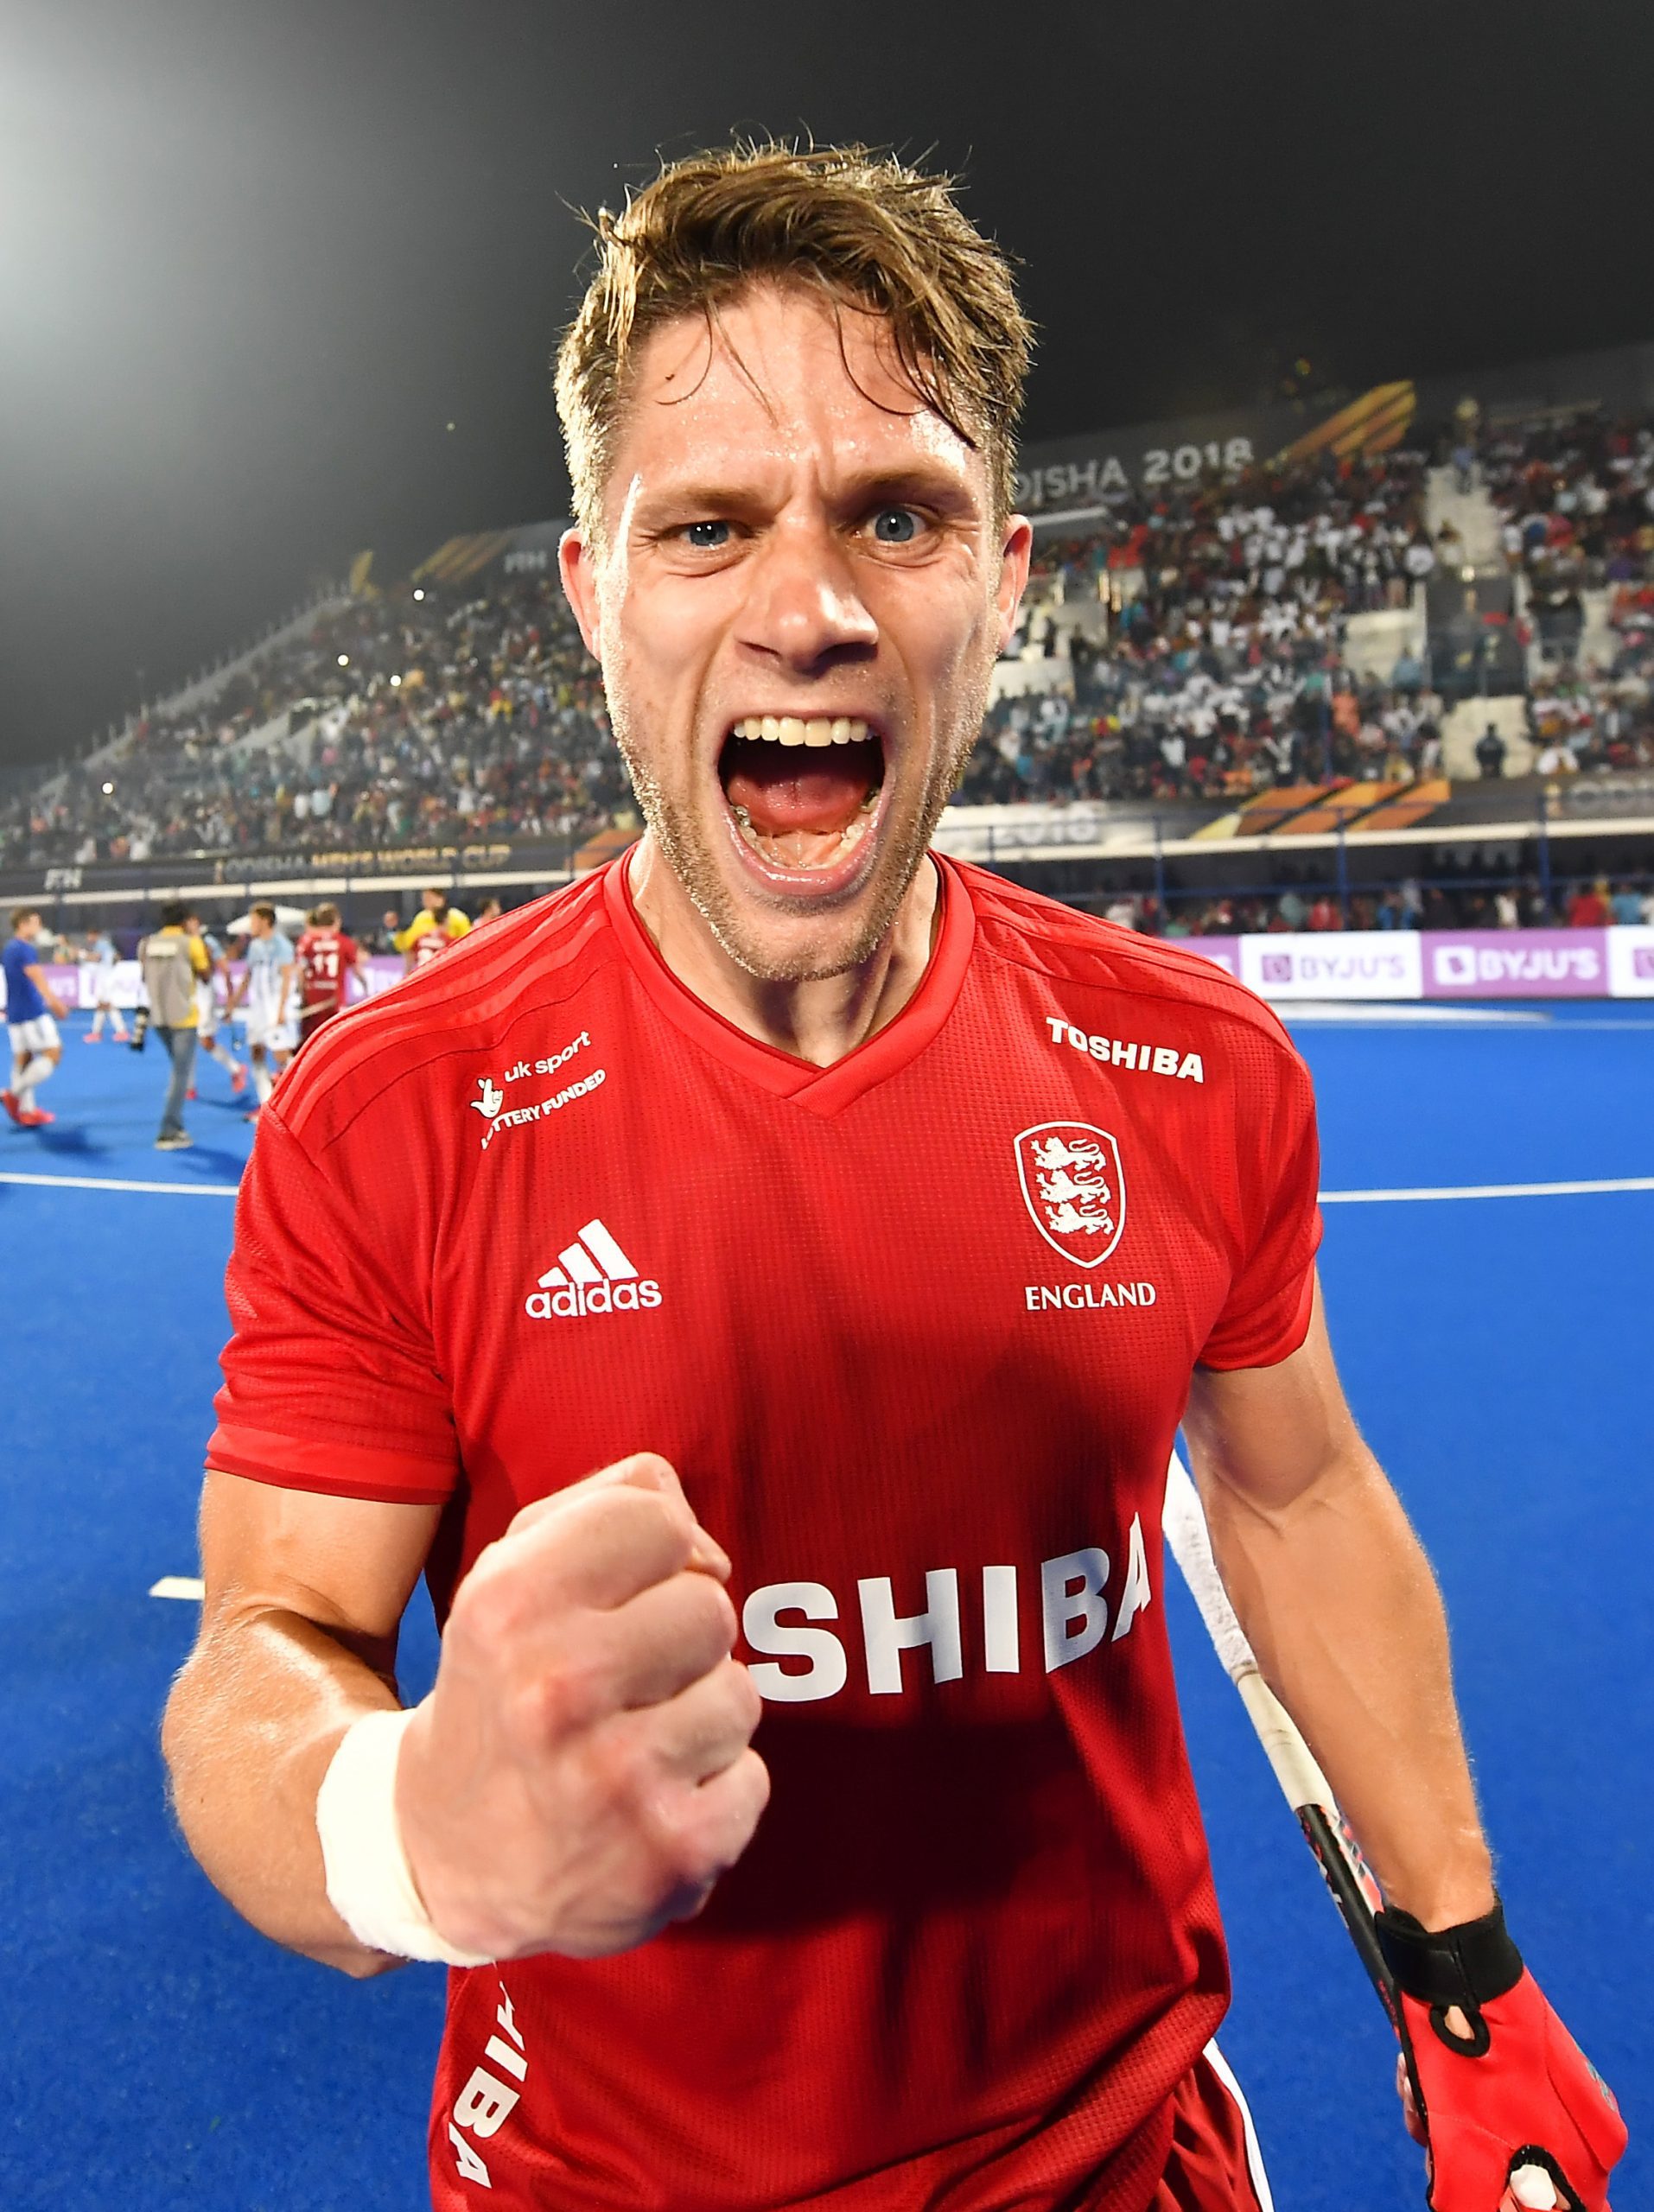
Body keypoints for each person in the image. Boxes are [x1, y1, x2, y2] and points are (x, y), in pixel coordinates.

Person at [162, 144, 1624, 2212]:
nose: (811, 611)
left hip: (1121, 2159)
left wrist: (1462, 1962)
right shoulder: (394, 1109)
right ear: (593, 592)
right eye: (706, 526)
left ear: (1004, 581)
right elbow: (268, 1640)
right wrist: (413, 1825)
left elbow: (1294, 1491)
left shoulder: (1193, 1066)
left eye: (897, 513)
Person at [138, 899, 213, 1149]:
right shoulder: (190, 943)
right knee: (181, 1075)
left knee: (178, 1071)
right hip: (183, 1017)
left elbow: (144, 976)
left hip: (159, 1017)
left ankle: (175, 1126)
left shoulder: (148, 943)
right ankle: (169, 1130)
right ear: (184, 920)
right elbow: (206, 976)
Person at [3, 906, 69, 1128]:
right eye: (36, 922)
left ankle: (27, 1111)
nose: (39, 927)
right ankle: (13, 1094)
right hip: (32, 1013)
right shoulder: (24, 949)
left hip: (15, 1014)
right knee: (53, 1054)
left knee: (24, 1060)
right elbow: (37, 977)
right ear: (24, 924)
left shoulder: (9, 948)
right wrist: (56, 1003)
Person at [229, 903, 298, 1111]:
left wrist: (281, 1010)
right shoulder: (255, 946)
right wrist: (234, 1002)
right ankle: (266, 1104)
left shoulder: (282, 945)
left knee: (282, 1056)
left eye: (254, 921)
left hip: (274, 1008)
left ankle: (295, 1101)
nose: (251, 925)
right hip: (257, 1011)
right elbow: (248, 976)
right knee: (256, 1053)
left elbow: (287, 978)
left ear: (266, 921)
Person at [188, 918, 248, 1101]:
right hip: (186, 994)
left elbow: (226, 969)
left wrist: (230, 1001)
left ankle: (236, 1069)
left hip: (203, 994)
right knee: (187, 1040)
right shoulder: (180, 941)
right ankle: (188, 1086)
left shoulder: (207, 941)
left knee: (206, 1041)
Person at [293, 902, 364, 1046]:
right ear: (336, 920)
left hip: (312, 999)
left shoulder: (307, 941)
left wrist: (301, 994)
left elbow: (300, 970)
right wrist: (365, 985)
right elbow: (357, 970)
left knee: (310, 1044)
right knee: (334, 1043)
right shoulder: (344, 942)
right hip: (334, 1000)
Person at [386, 887, 470, 973]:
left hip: (451, 963)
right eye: (424, 898)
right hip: (427, 965)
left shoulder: (457, 917)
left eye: (429, 898)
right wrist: (396, 929)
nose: (425, 901)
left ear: (441, 898)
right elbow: (408, 943)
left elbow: (468, 940)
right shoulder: (422, 917)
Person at [85, 930, 130, 1042]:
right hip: (106, 977)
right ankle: (96, 1033)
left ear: (94, 935)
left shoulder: (101, 944)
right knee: (101, 1005)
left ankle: (121, 1031)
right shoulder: (107, 944)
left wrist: (82, 955)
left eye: (89, 935)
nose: (88, 938)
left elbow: (97, 958)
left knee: (107, 1004)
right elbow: (117, 957)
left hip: (106, 979)